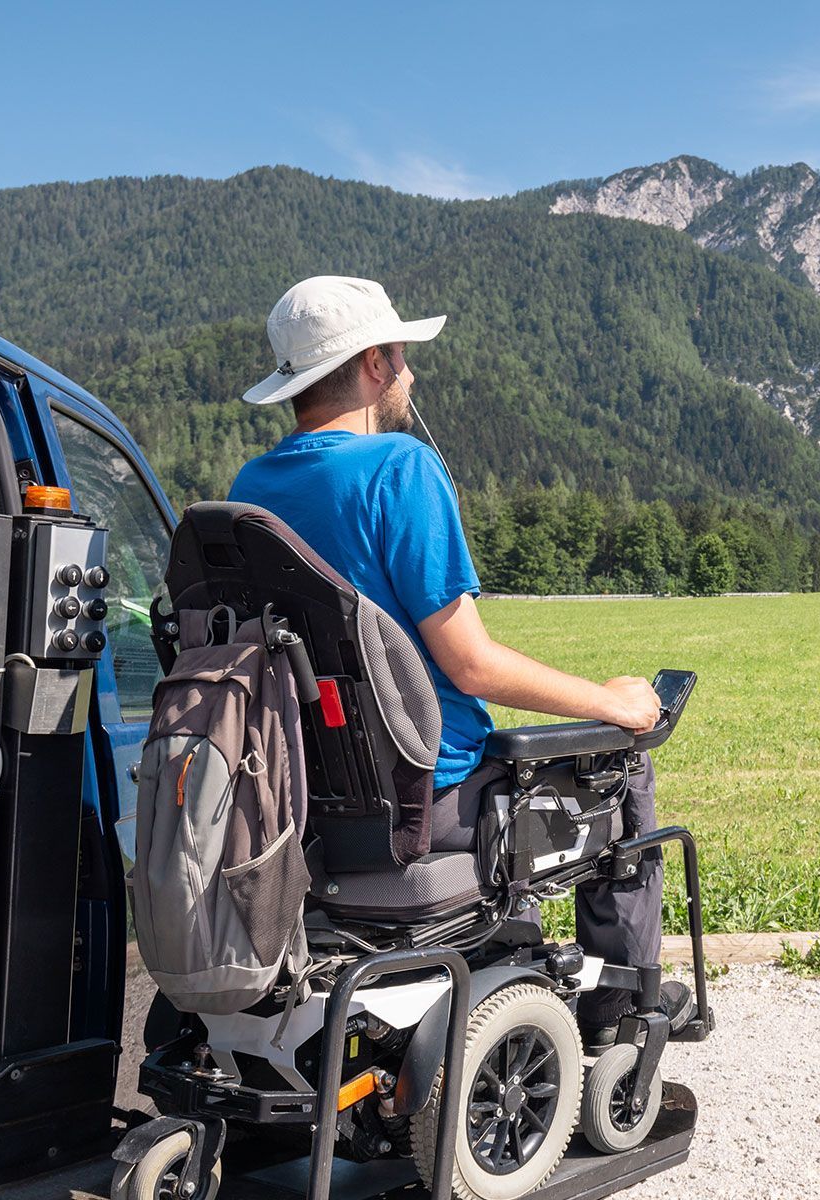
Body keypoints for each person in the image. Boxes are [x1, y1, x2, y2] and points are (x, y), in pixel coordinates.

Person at [227, 276, 689, 1042]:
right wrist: (612, 704)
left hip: (304, 799)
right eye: (403, 356)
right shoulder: (398, 470)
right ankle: (622, 1017)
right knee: (622, 764)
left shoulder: (253, 488)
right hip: (428, 800)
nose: (411, 373)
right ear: (375, 363)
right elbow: (471, 667)